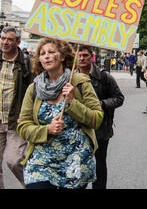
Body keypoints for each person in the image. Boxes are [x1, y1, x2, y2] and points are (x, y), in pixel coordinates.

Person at [17, 38, 103, 189]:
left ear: (62, 57)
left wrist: (72, 102)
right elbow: (23, 126)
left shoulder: (80, 82)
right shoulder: (34, 88)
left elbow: (96, 119)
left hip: (75, 159)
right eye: (43, 54)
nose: (47, 56)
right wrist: (47, 130)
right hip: (42, 160)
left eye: (51, 52)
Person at [77, 46, 124, 189]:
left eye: (85, 55)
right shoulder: (70, 76)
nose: (81, 58)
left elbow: (119, 98)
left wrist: (102, 104)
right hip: (78, 129)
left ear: (91, 56)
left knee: (99, 165)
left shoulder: (104, 76)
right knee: (78, 166)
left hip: (100, 129)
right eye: (79, 56)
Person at [0, 26, 32, 188]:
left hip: (16, 121)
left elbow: (35, 89)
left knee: (14, 161)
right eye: (3, 38)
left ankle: (33, 185)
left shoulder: (26, 63)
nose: (5, 42)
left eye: (9, 39)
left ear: (17, 42)